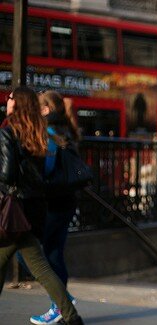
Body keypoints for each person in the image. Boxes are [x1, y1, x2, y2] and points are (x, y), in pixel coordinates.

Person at [0, 87, 83, 325]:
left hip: (18, 208)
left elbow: (7, 174)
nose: (7, 101)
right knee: (42, 258)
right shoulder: (38, 131)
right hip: (39, 204)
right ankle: (67, 309)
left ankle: (66, 308)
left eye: (11, 99)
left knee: (41, 261)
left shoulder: (10, 132)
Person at [25, 90, 81, 325]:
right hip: (67, 200)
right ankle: (60, 304)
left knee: (32, 253)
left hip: (53, 201)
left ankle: (61, 301)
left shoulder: (48, 132)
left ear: (45, 110)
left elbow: (46, 169)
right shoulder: (66, 130)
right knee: (54, 252)